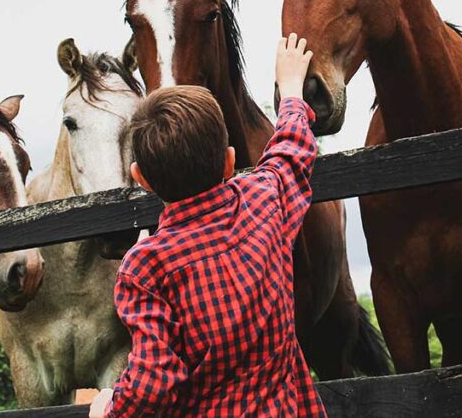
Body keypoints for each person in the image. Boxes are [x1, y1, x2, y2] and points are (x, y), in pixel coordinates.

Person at [90, 33, 327, 417]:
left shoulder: (145, 267)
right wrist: (292, 93)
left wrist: (109, 409)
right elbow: (291, 150)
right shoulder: (263, 201)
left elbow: (151, 382)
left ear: (141, 178)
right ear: (229, 163)